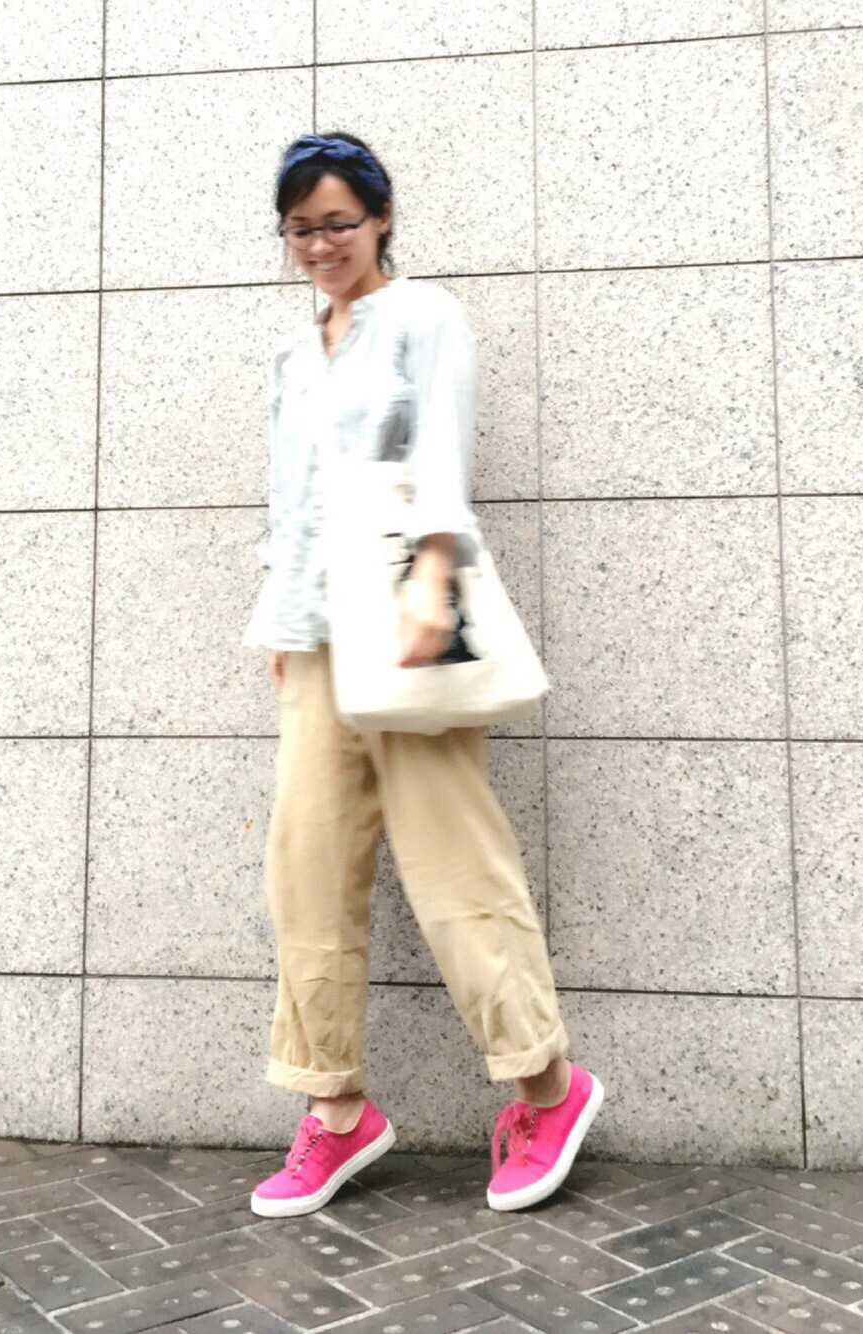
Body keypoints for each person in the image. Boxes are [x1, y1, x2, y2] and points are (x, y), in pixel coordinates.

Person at [241, 132, 604, 1219]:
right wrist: (277, 613)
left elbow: (442, 450)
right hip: (313, 637)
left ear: (381, 217)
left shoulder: (422, 317)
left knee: (452, 863)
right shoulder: (293, 353)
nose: (321, 244)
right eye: (301, 228)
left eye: (338, 223)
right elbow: (287, 495)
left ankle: (547, 1087)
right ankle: (336, 1109)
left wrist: (435, 576)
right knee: (306, 867)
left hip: (405, 617)